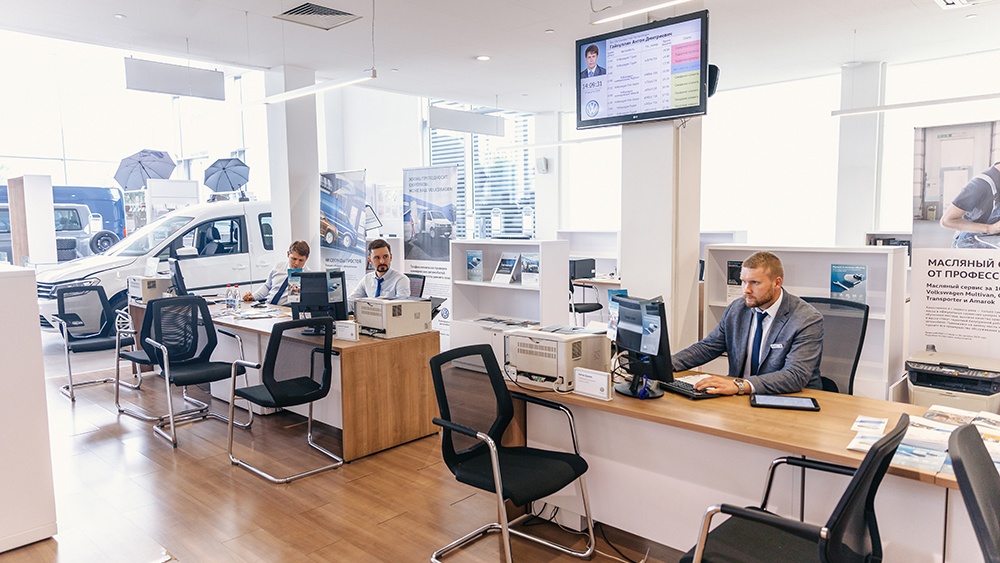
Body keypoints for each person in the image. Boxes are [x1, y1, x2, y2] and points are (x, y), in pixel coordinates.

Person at [672, 251, 823, 395]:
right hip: (741, 396)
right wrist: (666, 364)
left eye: (755, 283)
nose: (746, 290)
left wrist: (740, 385)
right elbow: (708, 347)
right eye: (743, 282)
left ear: (777, 283)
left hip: (788, 398)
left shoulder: (806, 319)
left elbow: (795, 375)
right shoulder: (737, 308)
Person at [940, 162, 1000, 248]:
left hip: (994, 240)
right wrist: (989, 228)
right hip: (970, 242)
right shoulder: (980, 184)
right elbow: (947, 221)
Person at [348, 239, 410, 312]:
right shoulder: (367, 279)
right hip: (370, 316)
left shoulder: (401, 280)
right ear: (369, 260)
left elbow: (401, 308)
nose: (382, 261)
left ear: (390, 257)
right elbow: (351, 301)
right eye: (377, 258)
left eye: (385, 256)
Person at [243, 240, 309, 306]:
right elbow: (267, 286)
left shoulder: (308, 276)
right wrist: (253, 296)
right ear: (288, 254)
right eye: (294, 259)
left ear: (306, 258)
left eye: (301, 260)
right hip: (269, 305)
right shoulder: (278, 267)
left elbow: (299, 300)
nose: (296, 263)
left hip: (287, 308)